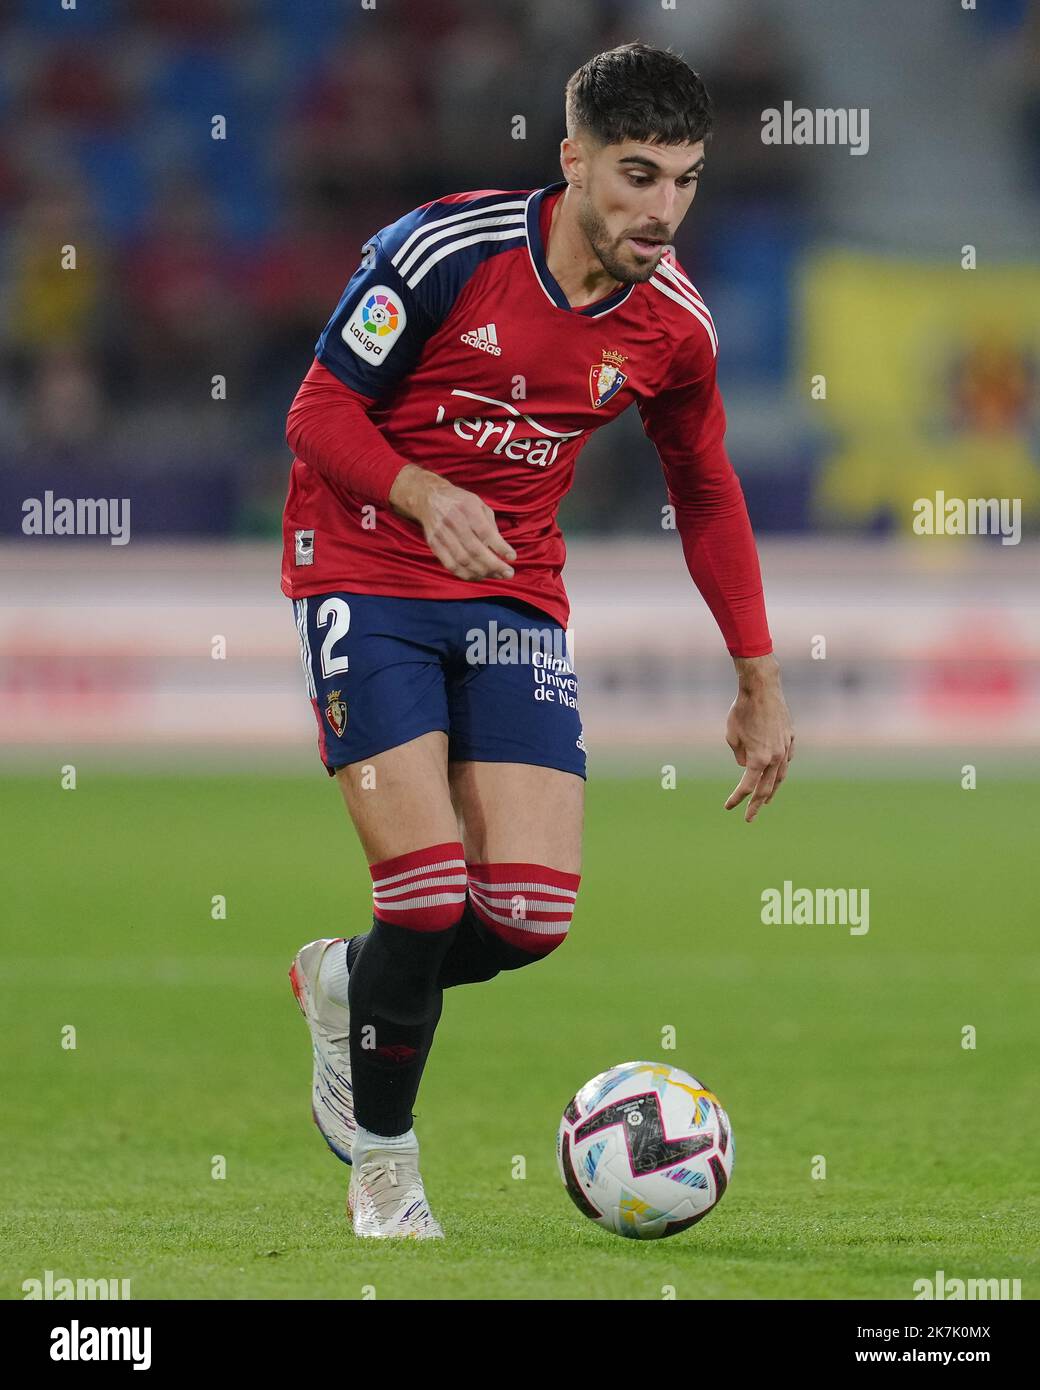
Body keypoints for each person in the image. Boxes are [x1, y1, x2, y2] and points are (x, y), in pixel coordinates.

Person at [282, 42, 794, 1239]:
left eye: (684, 180)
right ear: (571, 162)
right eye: (635, 176)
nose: (661, 211)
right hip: (364, 566)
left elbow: (707, 490)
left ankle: (345, 984)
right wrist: (420, 493)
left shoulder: (671, 327)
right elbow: (314, 410)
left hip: (511, 596)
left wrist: (757, 679)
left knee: (520, 917)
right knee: (420, 896)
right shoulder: (442, 253)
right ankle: (384, 1166)